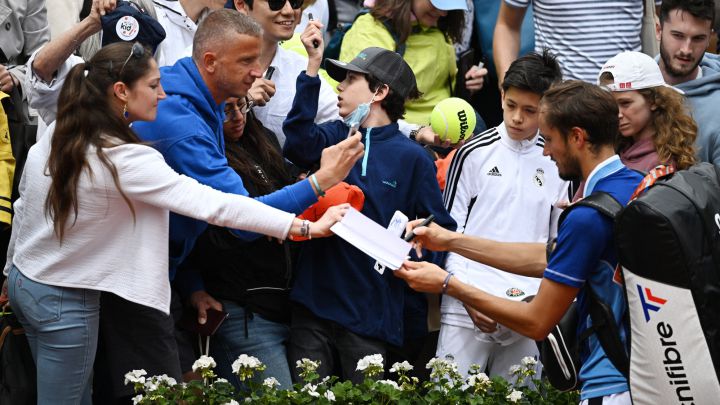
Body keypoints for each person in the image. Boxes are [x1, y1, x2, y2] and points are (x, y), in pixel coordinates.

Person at [2, 41, 350, 405]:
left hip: (29, 283)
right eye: (153, 86)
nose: (163, 93)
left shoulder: (64, 126)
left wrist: (11, 270)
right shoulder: (127, 158)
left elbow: (26, 203)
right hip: (63, 299)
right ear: (121, 91)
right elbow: (217, 206)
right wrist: (309, 217)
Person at [396, 81, 645, 404]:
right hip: (640, 375)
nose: (544, 151)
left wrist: (447, 284)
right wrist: (451, 241)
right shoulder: (636, 184)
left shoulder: (588, 216)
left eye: (550, 139)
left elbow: (536, 321)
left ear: (578, 138)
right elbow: (546, 257)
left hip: (610, 384)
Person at [282, 22, 456, 383]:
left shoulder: (414, 159)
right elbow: (296, 141)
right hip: (311, 304)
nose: (340, 88)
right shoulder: (334, 135)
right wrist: (312, 67)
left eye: (350, 80)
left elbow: (440, 231)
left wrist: (417, 244)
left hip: (371, 315)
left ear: (379, 91)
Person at [439, 50, 567, 379]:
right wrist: (464, 295)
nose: (517, 118)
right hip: (466, 305)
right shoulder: (471, 153)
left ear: (547, 109)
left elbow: (556, 244)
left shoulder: (558, 162)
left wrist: (538, 304)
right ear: (500, 95)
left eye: (529, 110)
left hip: (527, 308)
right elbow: (447, 232)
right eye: (511, 105)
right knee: (450, 397)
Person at [180, 96, 301, 389]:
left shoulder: (264, 139)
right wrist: (192, 286)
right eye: (225, 110)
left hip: (290, 306)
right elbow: (187, 232)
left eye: (242, 105)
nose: (237, 117)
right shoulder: (198, 154)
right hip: (241, 308)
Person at [339, 0, 487, 139]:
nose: (443, 12)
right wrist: (416, 133)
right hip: (405, 135)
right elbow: (362, 102)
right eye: (436, 2)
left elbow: (440, 87)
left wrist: (466, 83)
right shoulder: (369, 29)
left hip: (450, 125)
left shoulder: (436, 29)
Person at [229, 0, 340, 147]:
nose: (288, 11)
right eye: (276, 2)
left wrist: (311, 163)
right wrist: (243, 102)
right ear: (242, 5)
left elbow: (341, 123)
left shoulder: (303, 67)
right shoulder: (206, 60)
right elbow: (195, 128)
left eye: (295, 2)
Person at [493, 0, 660, 84]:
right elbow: (507, 26)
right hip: (559, 105)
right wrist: (507, 86)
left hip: (627, 105)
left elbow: (665, 20)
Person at [598, 51, 697, 172]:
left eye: (625, 103)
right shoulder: (613, 149)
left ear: (654, 101)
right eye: (612, 104)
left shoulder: (661, 165)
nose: (618, 114)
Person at [656, 0, 720, 166]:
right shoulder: (632, 88)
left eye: (698, 38)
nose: (686, 49)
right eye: (678, 36)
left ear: (709, 39)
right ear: (659, 31)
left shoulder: (717, 107)